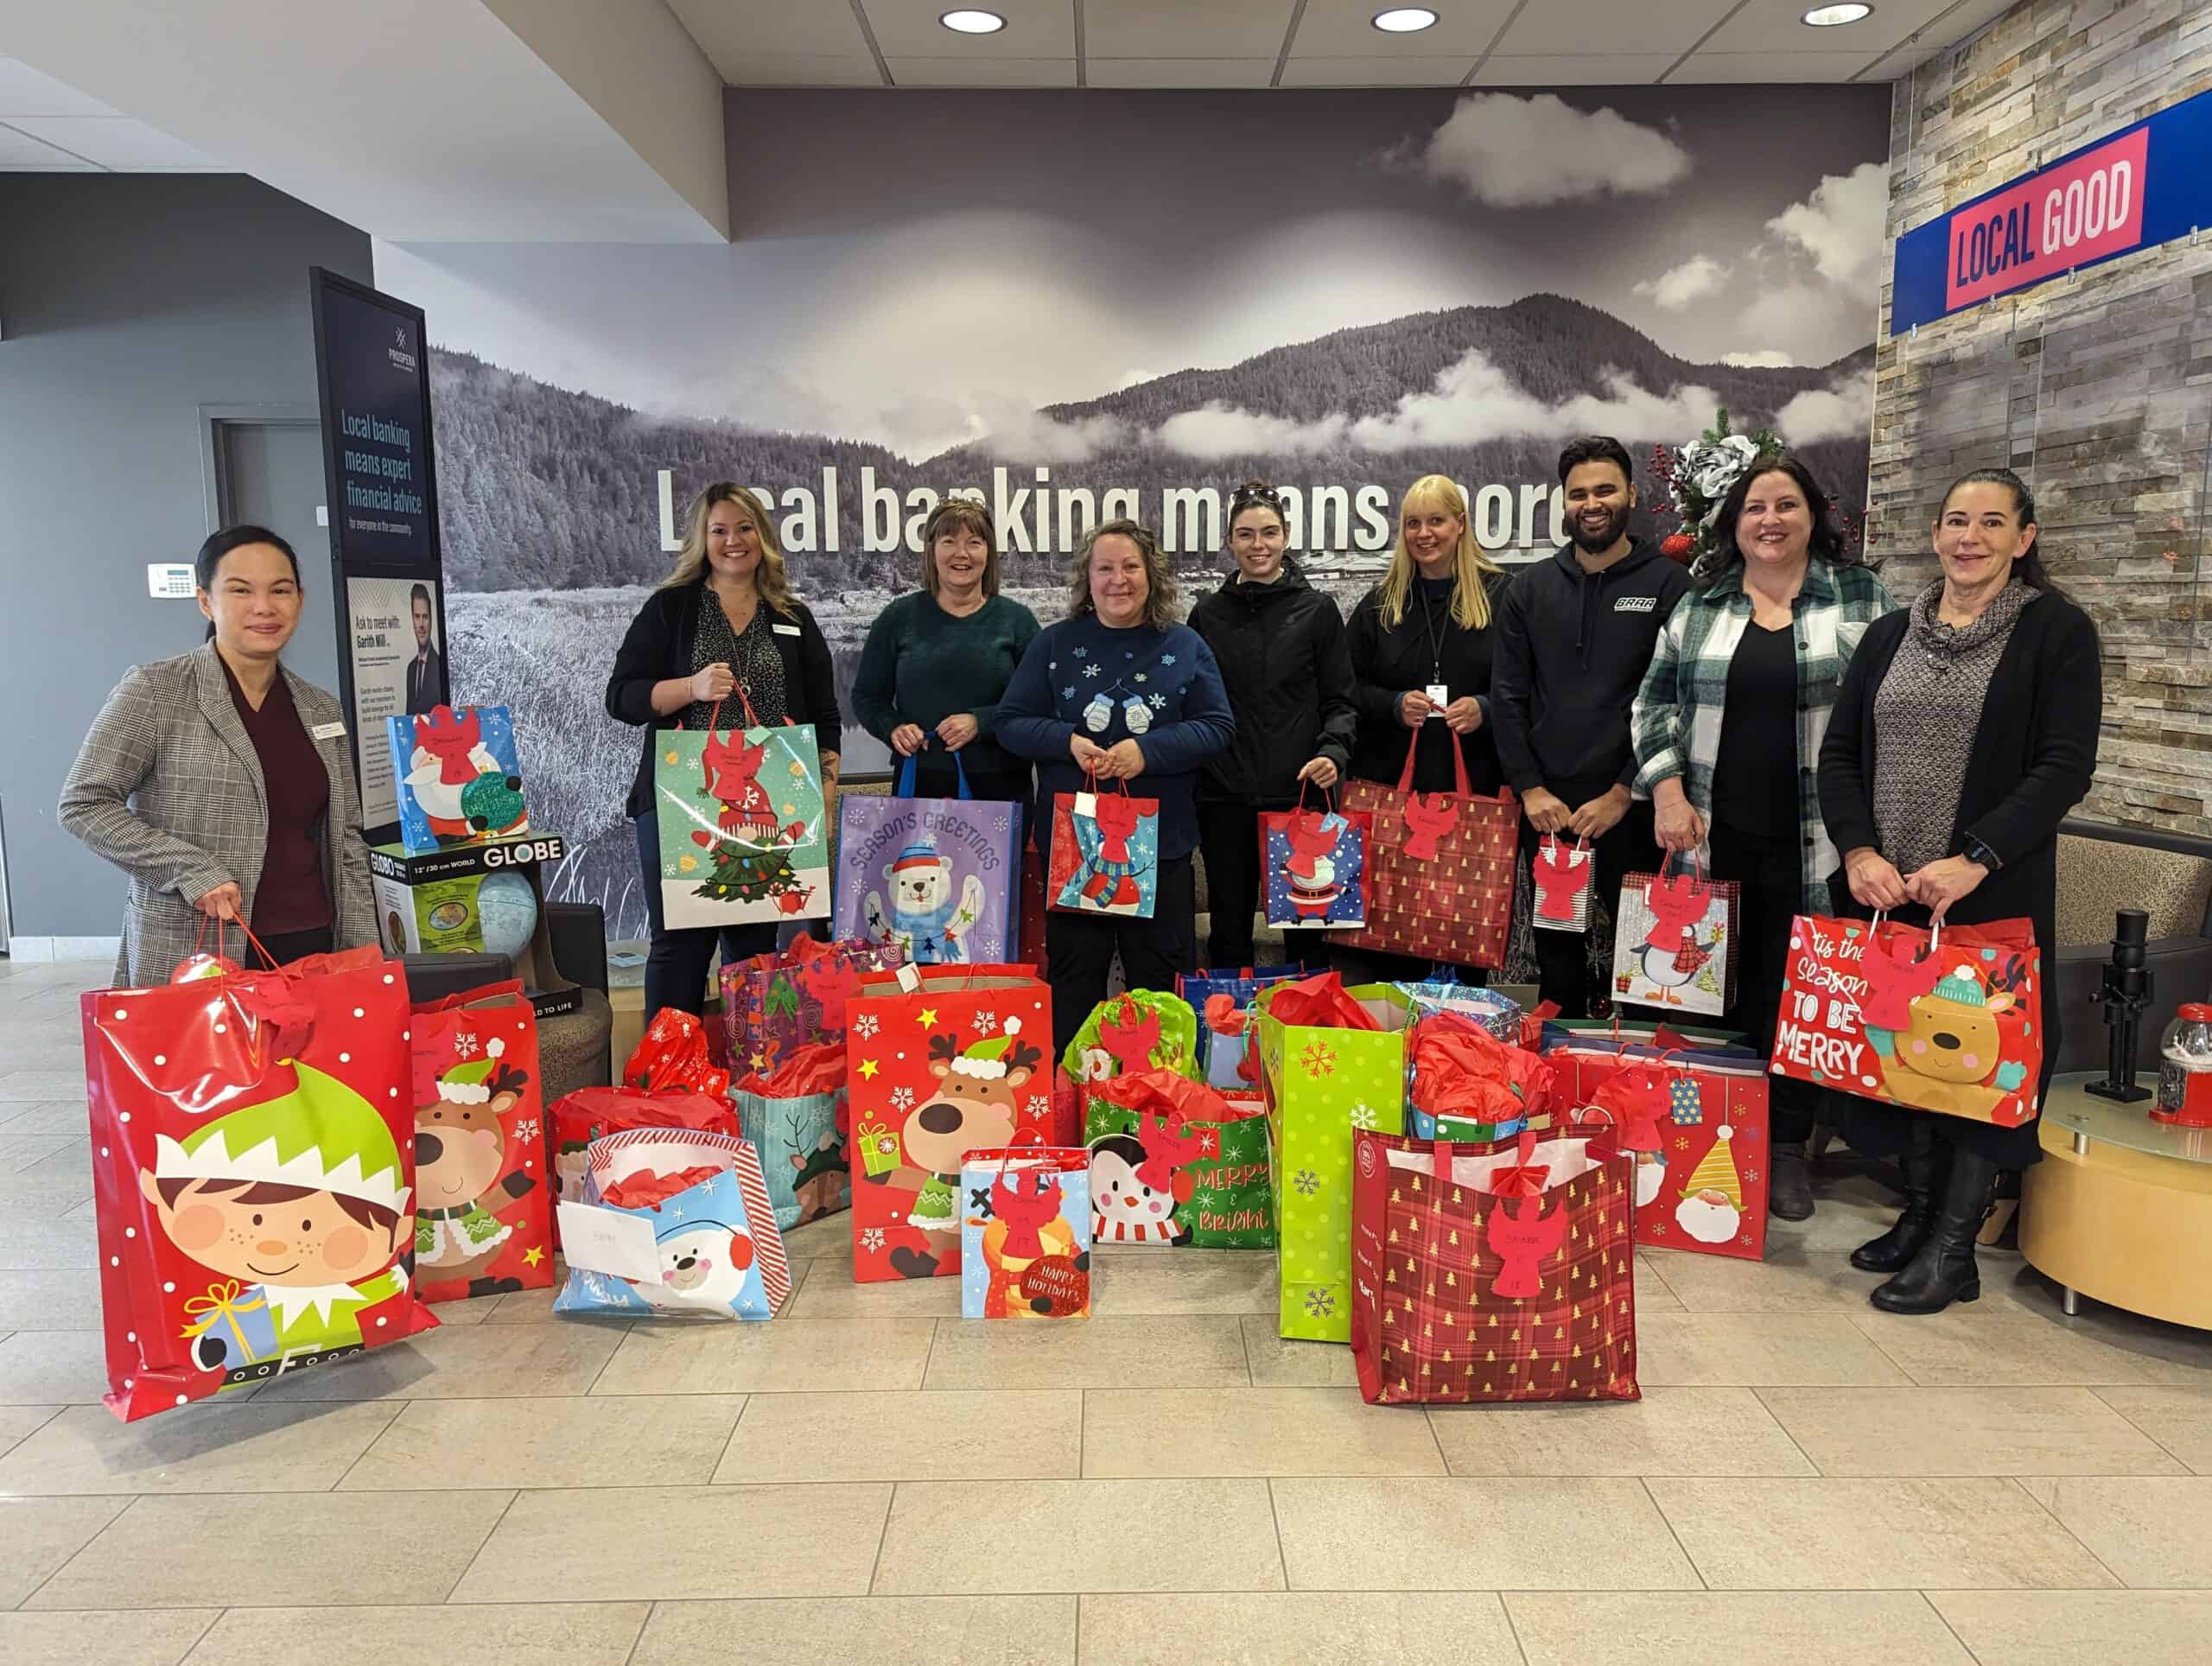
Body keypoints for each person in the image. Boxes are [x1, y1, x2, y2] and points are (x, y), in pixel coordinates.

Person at [1819, 467, 2101, 1313]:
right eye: (1953, 520)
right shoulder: (1887, 635)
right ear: (1935, 534)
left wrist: (1976, 855)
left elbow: (2063, 767)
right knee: (1903, 1055)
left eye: (1989, 522)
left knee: (1980, 1063)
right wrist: (1859, 849)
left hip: (1985, 890)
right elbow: (1838, 756)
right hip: (1888, 891)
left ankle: (1953, 1248)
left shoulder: (2056, 632)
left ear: (2024, 537)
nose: (1967, 536)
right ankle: (1915, 1215)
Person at [1632, 453, 1897, 1221]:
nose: (1770, 520)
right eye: (1754, 508)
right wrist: (1668, 792)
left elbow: (1890, 714)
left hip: (1820, 842)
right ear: (1733, 523)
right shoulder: (1703, 602)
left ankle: (1782, 1148)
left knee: (1798, 999)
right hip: (1711, 836)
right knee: (1709, 993)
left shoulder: (1861, 597)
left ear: (1814, 515)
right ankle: (1710, 1137)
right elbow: (1652, 708)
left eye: (1786, 505)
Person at [60, 525, 377, 984]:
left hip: (312, 945)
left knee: (309, 1059)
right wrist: (188, 867)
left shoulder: (319, 707)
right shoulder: (157, 690)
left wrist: (362, 947)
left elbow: (345, 837)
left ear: (300, 601)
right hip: (194, 946)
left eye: (280, 590)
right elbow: (83, 803)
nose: (265, 607)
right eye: (241, 590)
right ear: (206, 601)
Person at [997, 518, 1236, 1055]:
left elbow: (1218, 726)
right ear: (1088, 578)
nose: (1118, 580)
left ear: (1152, 574)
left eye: (1130, 566)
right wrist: (1068, 742)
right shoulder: (1054, 643)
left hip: (1162, 845)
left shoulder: (1184, 643)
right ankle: (1074, 1105)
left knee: (1157, 988)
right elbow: (1010, 723)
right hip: (1075, 850)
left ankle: (1158, 1105)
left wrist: (1145, 753)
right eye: (1105, 568)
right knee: (1075, 982)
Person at [606, 482, 839, 1019]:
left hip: (770, 806)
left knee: (754, 948)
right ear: (701, 541)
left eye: (744, 528)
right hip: (679, 804)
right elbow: (622, 696)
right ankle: (669, 1084)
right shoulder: (672, 608)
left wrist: (822, 796)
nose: (733, 541)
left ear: (762, 535)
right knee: (680, 945)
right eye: (719, 531)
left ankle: (751, 1079)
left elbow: (825, 717)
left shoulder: (794, 617)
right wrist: (690, 688)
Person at [1491, 436, 1691, 1016]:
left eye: (1605, 489)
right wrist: (1530, 789)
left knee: (1652, 960)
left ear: (1631, 493)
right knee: (1557, 963)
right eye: (1578, 494)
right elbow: (1507, 696)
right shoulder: (1526, 589)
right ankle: (1560, 1085)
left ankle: (1641, 1083)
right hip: (1550, 811)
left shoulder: (1669, 586)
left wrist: (1625, 791)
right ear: (1563, 503)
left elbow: (1679, 701)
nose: (1592, 503)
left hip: (1638, 808)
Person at [1338, 474, 1513, 986]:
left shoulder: (1504, 597)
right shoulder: (1379, 604)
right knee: (1391, 934)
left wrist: (1485, 707)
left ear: (1461, 525)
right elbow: (1345, 689)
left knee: (1464, 934)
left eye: (1437, 520)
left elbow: (1529, 686)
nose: (1424, 534)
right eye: (1413, 523)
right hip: (1393, 793)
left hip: (1474, 792)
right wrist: (1392, 705)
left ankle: (1458, 1049)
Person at [1187, 480, 1357, 967]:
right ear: (1230, 542)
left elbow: (1342, 700)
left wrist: (1333, 752)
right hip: (1224, 800)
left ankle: (1307, 1039)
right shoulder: (1207, 615)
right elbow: (1195, 704)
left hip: (1300, 798)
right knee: (1229, 930)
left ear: (1285, 537)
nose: (1257, 545)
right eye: (1245, 534)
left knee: (1307, 933)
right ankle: (1228, 1036)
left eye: (1267, 532)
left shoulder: (1318, 612)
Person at [852, 497, 1040, 815]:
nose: (961, 553)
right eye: (949, 541)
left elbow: (1038, 702)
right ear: (932, 550)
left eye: (974, 542)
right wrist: (893, 728)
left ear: (989, 553)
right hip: (919, 787)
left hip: (1002, 791)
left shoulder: (1017, 621)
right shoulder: (898, 617)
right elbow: (867, 697)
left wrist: (981, 722)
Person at [404, 582, 444, 715]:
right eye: (417, 617)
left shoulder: (440, 666)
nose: (421, 624)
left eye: (425, 617)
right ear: (412, 619)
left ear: (431, 620)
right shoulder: (411, 669)